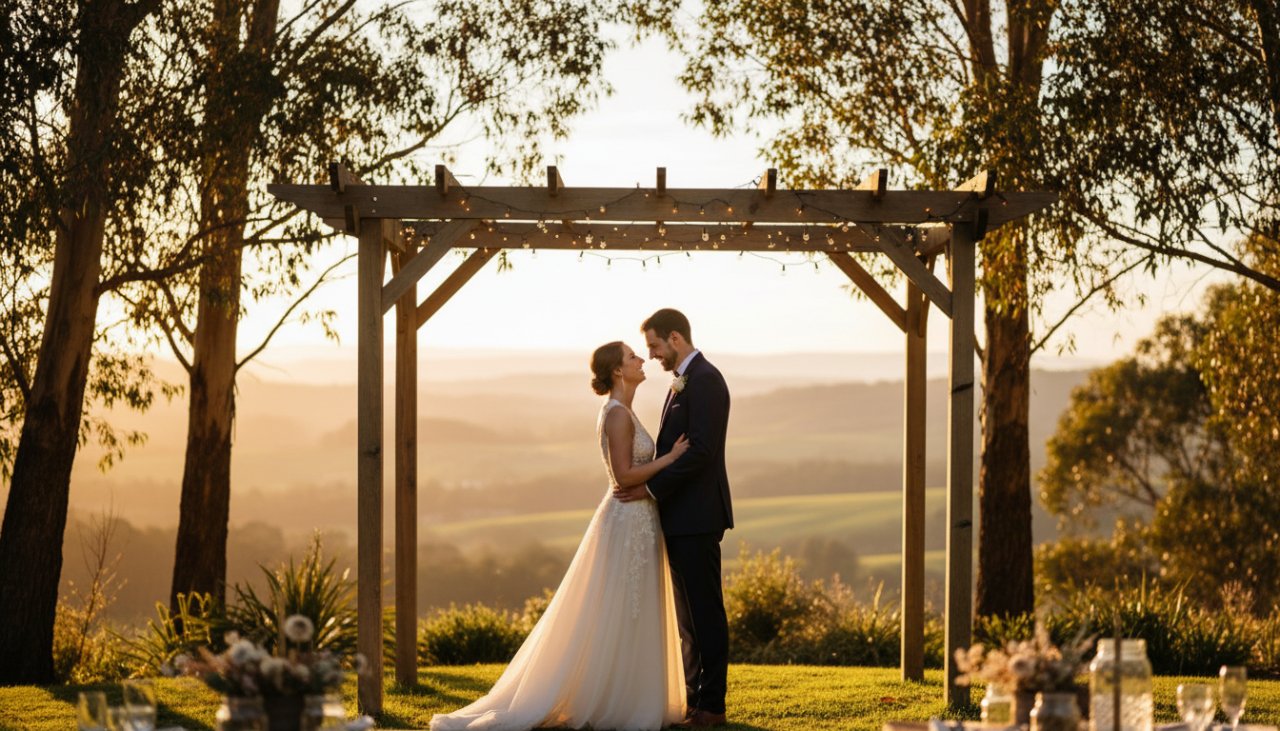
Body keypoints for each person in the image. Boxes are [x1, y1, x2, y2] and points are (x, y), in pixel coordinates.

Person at [430, 341, 689, 731]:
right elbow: (623, 476)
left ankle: (628, 694)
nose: (640, 361)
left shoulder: (626, 411)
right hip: (626, 520)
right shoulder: (617, 415)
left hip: (640, 520)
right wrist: (670, 458)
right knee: (619, 607)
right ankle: (609, 699)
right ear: (618, 371)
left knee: (631, 608)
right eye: (632, 357)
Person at [614, 308, 733, 728]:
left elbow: (700, 451)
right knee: (689, 620)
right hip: (681, 517)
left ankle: (713, 706)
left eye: (655, 346)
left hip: (698, 516)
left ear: (676, 339)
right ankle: (696, 700)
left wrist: (650, 489)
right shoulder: (683, 381)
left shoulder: (705, 380)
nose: (652, 356)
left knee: (704, 613)